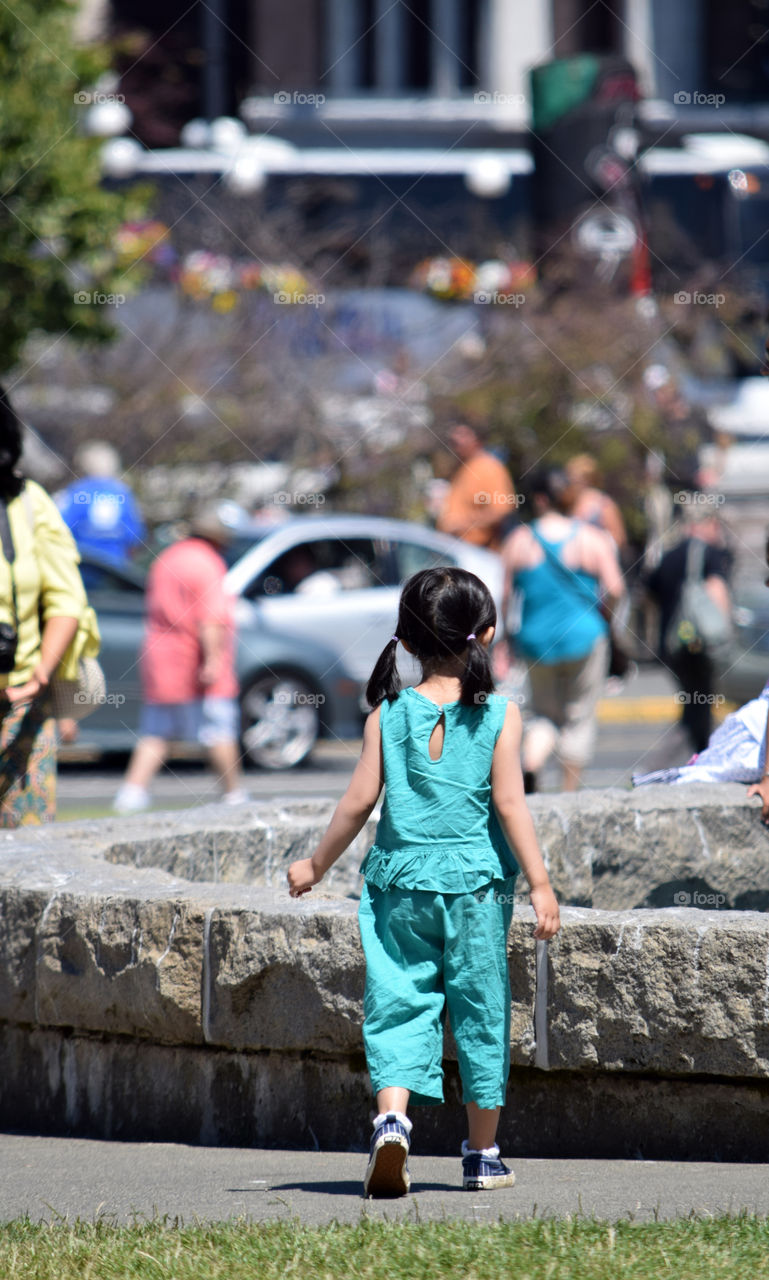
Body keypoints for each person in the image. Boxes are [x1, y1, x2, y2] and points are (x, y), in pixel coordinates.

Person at [287, 567, 560, 1197]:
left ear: (406, 643)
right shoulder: (499, 715)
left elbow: (357, 803)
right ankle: (483, 1154)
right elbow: (512, 806)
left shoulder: (387, 714)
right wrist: (541, 886)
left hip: (398, 887)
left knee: (398, 1001)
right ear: (485, 635)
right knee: (480, 1010)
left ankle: (392, 1119)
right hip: (475, 890)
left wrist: (315, 866)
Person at [113, 502, 248, 813]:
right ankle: (234, 794)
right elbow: (210, 618)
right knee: (218, 729)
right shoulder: (208, 563)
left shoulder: (168, 557)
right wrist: (213, 659)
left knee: (156, 731)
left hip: (160, 659)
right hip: (193, 659)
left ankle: (131, 794)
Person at [501, 470, 625, 792]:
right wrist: (605, 618)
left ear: (540, 499)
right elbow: (616, 588)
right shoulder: (589, 538)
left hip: (535, 640)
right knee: (579, 717)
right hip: (585, 637)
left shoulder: (519, 541)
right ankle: (568, 795)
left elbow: (504, 599)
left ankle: (531, 765)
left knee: (543, 714)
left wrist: (509, 639)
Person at [0, 386, 89, 826]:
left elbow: (66, 598)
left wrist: (40, 677)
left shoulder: (30, 503)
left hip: (22, 709)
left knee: (27, 859)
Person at [645, 508, 731, 757]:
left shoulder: (669, 555)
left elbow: (650, 592)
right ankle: (668, 764)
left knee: (693, 701)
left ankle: (699, 755)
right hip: (700, 643)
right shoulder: (709, 554)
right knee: (699, 704)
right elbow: (717, 590)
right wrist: (724, 632)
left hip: (674, 643)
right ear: (706, 524)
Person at [56, 441, 145, 565]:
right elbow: (135, 535)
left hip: (83, 567)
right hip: (116, 571)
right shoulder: (124, 492)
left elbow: (60, 528)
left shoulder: (76, 491)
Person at [435, 423, 517, 551]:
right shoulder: (461, 468)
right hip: (457, 552)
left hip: (479, 554)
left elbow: (502, 510)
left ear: (477, 439)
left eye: (462, 434)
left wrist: (461, 525)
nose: (455, 439)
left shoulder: (489, 467)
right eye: (454, 434)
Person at [564, 454, 627, 554]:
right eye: (572, 477)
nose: (574, 481)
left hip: (599, 560)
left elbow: (619, 538)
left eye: (578, 477)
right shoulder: (570, 503)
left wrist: (597, 549)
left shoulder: (603, 502)